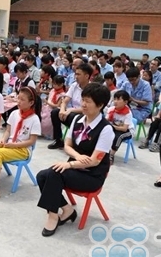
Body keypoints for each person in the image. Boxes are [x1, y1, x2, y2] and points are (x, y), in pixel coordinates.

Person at [36, 83, 113, 237]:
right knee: (42, 176)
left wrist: (70, 164)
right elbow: (67, 145)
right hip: (74, 168)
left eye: (88, 101)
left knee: (54, 174)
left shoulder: (106, 129)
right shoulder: (77, 120)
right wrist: (76, 157)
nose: (83, 104)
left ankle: (52, 216)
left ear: (100, 105)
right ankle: (67, 209)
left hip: (92, 175)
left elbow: (94, 161)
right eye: (83, 100)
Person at [48, 63, 93, 149]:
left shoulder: (92, 88)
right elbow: (65, 101)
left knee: (74, 117)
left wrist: (70, 110)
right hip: (70, 112)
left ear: (87, 76)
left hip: (84, 115)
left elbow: (87, 108)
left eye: (79, 74)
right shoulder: (74, 85)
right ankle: (58, 140)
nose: (76, 76)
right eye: (76, 74)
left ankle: (74, 143)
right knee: (55, 112)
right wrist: (62, 110)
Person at [106, 90, 135, 164]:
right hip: (115, 128)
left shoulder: (128, 113)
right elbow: (106, 121)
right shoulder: (111, 110)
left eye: (118, 99)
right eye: (115, 99)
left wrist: (112, 126)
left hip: (128, 131)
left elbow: (124, 128)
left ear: (125, 102)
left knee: (118, 137)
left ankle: (111, 155)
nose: (115, 101)